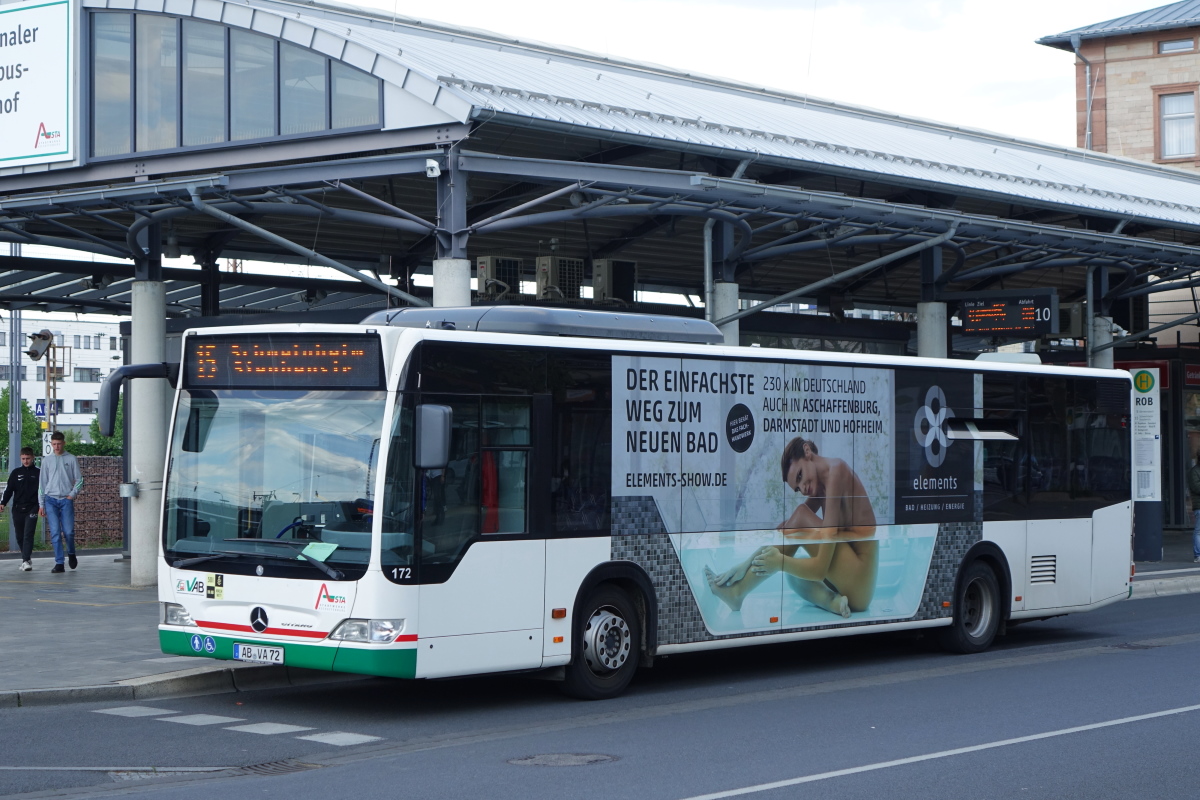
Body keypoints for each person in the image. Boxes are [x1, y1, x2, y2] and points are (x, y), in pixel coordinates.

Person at [706, 437, 878, 619]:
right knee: (794, 576)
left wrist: (779, 562)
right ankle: (834, 602)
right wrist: (746, 563)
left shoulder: (837, 471)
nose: (803, 489)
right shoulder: (820, 487)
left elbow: (818, 568)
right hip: (849, 584)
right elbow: (787, 532)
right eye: (797, 488)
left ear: (807, 452)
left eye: (800, 476)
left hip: (861, 582)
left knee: (800, 516)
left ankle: (738, 591)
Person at [38, 432, 83, 573]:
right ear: (51, 444)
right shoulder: (47, 461)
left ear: (63, 443)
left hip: (65, 499)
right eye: (54, 444)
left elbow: (79, 480)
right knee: (55, 532)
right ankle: (59, 562)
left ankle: (71, 552)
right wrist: (41, 504)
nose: (56, 447)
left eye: (59, 444)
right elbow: (42, 484)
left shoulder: (71, 459)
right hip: (51, 499)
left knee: (68, 532)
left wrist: (71, 495)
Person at [1, 447, 40, 572]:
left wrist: (42, 505)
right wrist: (3, 503)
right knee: (20, 536)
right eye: (23, 459)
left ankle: (25, 560)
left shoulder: (38, 473)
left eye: (28, 458)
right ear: (20, 458)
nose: (26, 461)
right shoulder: (16, 473)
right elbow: (8, 490)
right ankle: (26, 558)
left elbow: (43, 490)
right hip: (18, 508)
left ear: (33, 457)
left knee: (28, 534)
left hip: (32, 507)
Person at [1189, 451, 1200, 563]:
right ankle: (1198, 555)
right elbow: (1196, 487)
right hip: (1199, 505)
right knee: (1198, 531)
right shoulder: (1195, 471)